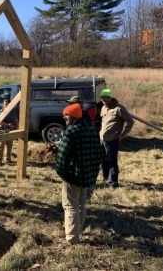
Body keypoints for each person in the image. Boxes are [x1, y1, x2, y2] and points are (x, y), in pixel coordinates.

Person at [56, 104, 103, 245]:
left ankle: (72, 238)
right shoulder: (92, 130)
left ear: (75, 116)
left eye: (67, 115)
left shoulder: (71, 132)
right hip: (87, 176)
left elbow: (62, 157)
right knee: (82, 203)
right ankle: (78, 230)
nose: (64, 117)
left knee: (71, 206)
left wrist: (64, 173)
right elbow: (99, 154)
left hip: (74, 176)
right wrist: (93, 172)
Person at [99, 89, 134, 188]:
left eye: (104, 98)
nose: (103, 100)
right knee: (103, 159)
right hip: (102, 138)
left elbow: (130, 121)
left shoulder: (119, 109)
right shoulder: (103, 108)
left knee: (112, 160)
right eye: (101, 98)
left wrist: (122, 135)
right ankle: (105, 177)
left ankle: (113, 183)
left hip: (112, 139)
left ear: (110, 98)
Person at [0, 98, 18, 166]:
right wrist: (8, 125)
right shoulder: (1, 111)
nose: (5, 105)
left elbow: (16, 121)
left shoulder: (13, 112)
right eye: (4, 104)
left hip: (10, 130)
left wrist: (16, 128)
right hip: (1, 129)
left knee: (9, 145)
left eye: (7, 104)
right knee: (1, 146)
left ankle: (8, 160)